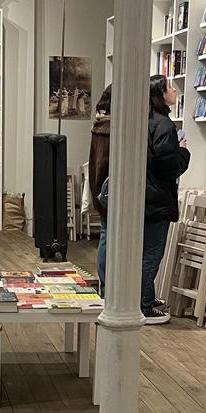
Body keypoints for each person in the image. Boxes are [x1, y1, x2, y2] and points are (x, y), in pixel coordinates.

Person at [142, 75, 190, 324]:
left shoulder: (145, 120)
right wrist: (183, 152)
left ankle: (144, 297)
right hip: (157, 198)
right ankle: (144, 305)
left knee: (142, 252)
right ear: (161, 93)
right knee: (152, 254)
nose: (175, 90)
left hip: (143, 196)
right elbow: (168, 166)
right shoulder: (164, 125)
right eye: (171, 87)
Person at [89, 86, 112, 292]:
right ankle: (106, 284)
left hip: (100, 187)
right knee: (108, 234)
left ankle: (104, 283)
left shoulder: (99, 126)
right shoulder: (111, 130)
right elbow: (106, 162)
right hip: (110, 191)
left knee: (106, 233)